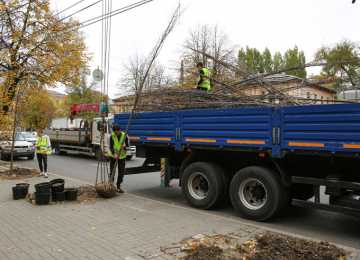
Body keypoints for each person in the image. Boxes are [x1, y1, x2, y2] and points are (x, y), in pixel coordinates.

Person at [108, 124, 128, 193]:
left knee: (121, 172)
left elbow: (128, 147)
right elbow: (110, 147)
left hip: (122, 157)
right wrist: (114, 154)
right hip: (113, 157)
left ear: (120, 130)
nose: (116, 133)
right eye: (115, 132)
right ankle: (110, 185)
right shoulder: (112, 136)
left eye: (117, 132)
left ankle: (118, 186)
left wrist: (124, 148)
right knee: (112, 171)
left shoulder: (124, 136)